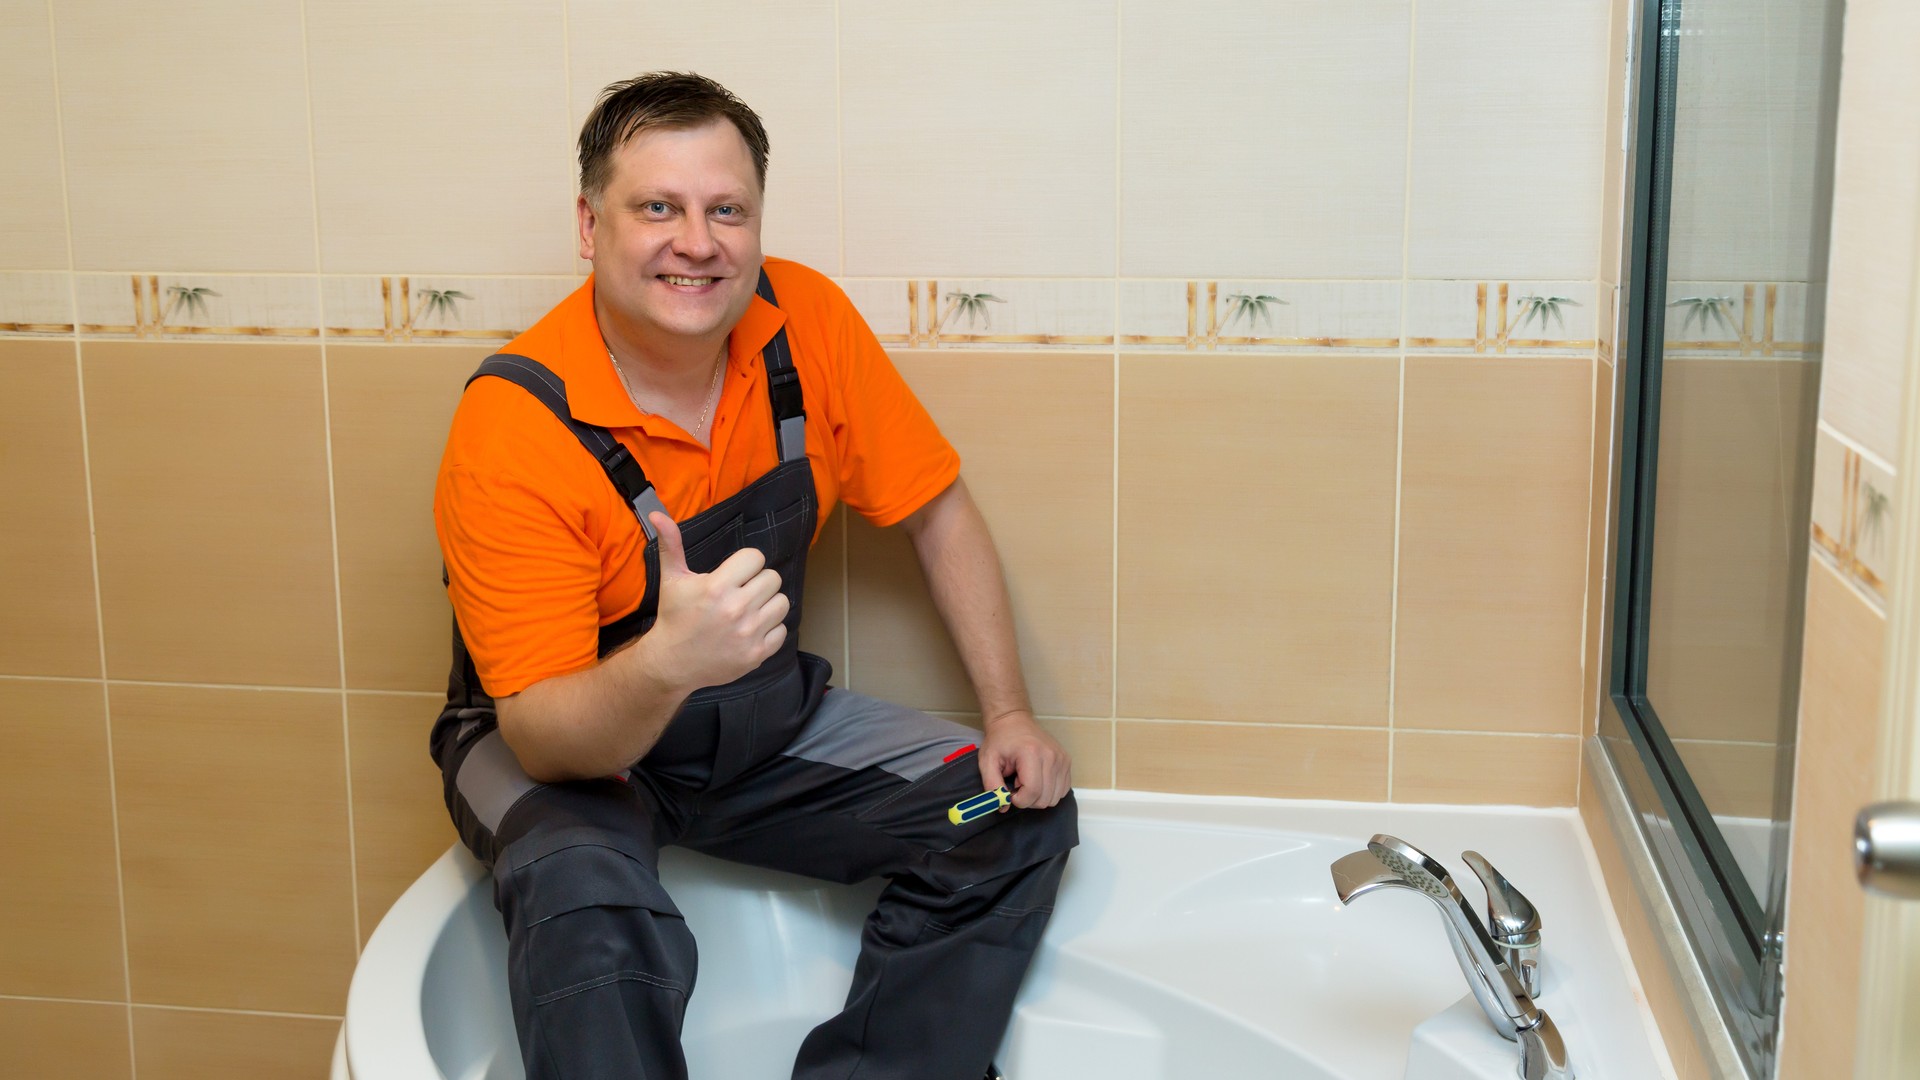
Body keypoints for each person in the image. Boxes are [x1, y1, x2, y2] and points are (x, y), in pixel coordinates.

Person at [429, 71, 1077, 1080]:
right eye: (658, 208)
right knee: (591, 910)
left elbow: (936, 510)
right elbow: (543, 733)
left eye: (725, 210)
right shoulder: (515, 425)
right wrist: (663, 665)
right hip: (559, 747)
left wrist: (1009, 716)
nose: (698, 242)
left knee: (1000, 817)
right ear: (590, 226)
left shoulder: (805, 321)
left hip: (754, 729)